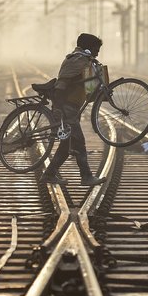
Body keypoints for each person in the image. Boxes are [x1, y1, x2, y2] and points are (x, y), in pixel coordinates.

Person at [39, 33, 107, 187]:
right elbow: (62, 85)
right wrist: (60, 110)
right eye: (96, 48)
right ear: (88, 48)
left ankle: (48, 175)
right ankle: (86, 177)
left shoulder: (83, 62)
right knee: (79, 141)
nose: (97, 52)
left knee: (65, 146)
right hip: (65, 108)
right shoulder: (76, 60)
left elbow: (88, 89)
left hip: (69, 108)